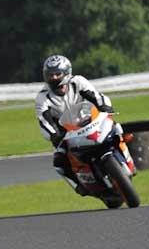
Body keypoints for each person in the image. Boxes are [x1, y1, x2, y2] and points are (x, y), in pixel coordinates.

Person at [35, 55, 114, 196]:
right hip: (66, 134)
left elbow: (96, 96)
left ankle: (125, 157)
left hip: (90, 121)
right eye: (50, 75)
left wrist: (105, 108)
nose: (54, 78)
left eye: (57, 74)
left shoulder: (78, 82)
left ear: (67, 72)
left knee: (116, 130)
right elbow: (44, 120)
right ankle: (79, 186)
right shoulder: (42, 97)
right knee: (59, 162)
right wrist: (54, 135)